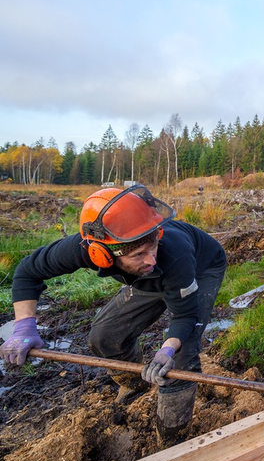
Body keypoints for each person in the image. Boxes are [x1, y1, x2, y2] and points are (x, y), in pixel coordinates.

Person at [0, 184, 228, 441]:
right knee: (104, 337)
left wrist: (166, 350)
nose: (150, 258)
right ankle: (136, 385)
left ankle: (172, 435)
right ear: (102, 255)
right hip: (147, 279)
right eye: (138, 254)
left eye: (153, 245)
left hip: (200, 268)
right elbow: (28, 272)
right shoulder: (85, 248)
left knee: (182, 354)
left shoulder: (173, 253)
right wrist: (24, 326)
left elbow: (185, 316)